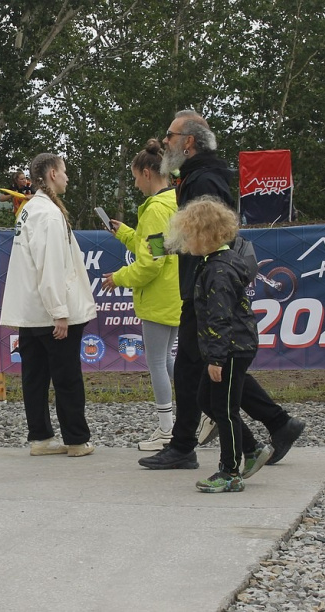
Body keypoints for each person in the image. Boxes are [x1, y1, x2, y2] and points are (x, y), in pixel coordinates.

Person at [139, 110, 305, 471]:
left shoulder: (205, 180)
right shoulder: (196, 174)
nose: (165, 141)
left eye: (170, 135)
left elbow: (213, 232)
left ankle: (193, 446)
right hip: (203, 284)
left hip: (206, 287)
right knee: (207, 370)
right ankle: (277, 423)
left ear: (189, 142)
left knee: (193, 371)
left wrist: (168, 247)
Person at [166, 196, 274, 491]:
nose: (185, 241)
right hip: (228, 348)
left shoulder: (219, 270)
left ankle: (230, 472)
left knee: (225, 410)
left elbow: (221, 318)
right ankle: (251, 449)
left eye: (189, 234)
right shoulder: (214, 263)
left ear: (205, 235)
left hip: (230, 351)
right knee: (206, 400)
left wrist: (216, 359)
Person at [0, 153, 96, 458]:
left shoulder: (32, 210)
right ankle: (77, 440)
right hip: (50, 311)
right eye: (65, 172)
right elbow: (51, 266)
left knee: (35, 377)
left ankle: (40, 437)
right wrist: (60, 312)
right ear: (52, 173)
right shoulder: (49, 215)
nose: (67, 177)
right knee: (67, 376)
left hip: (32, 312)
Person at [101, 139, 181, 451]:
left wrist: (118, 278)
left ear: (148, 173)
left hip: (158, 299)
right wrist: (124, 233)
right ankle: (200, 411)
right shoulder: (173, 203)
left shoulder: (154, 211)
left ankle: (166, 429)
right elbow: (159, 249)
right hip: (174, 293)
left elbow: (149, 264)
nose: (135, 183)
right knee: (170, 359)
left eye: (135, 176)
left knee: (157, 361)